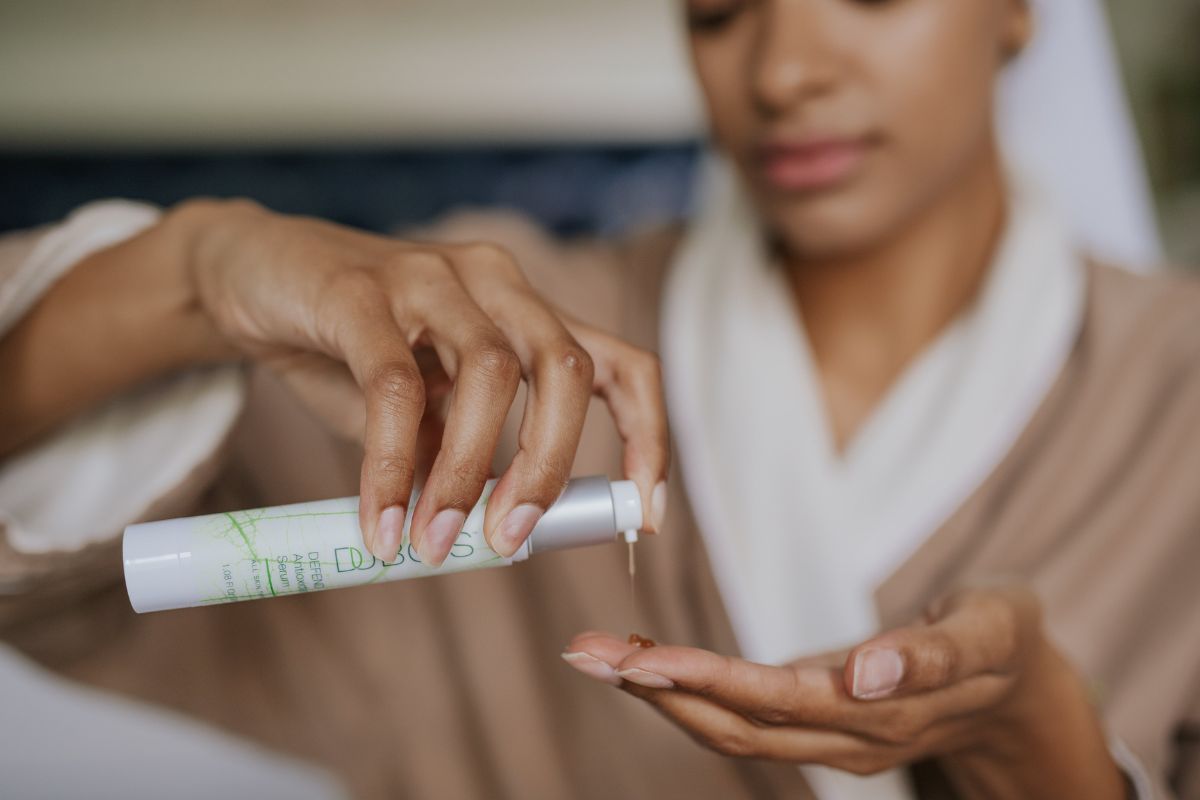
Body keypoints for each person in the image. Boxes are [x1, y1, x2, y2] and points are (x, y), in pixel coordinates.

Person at [1, 1, 1197, 799]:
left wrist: (1043, 736)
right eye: (721, 7)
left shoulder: (1174, 392)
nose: (783, 71)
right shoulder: (484, 344)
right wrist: (202, 265)